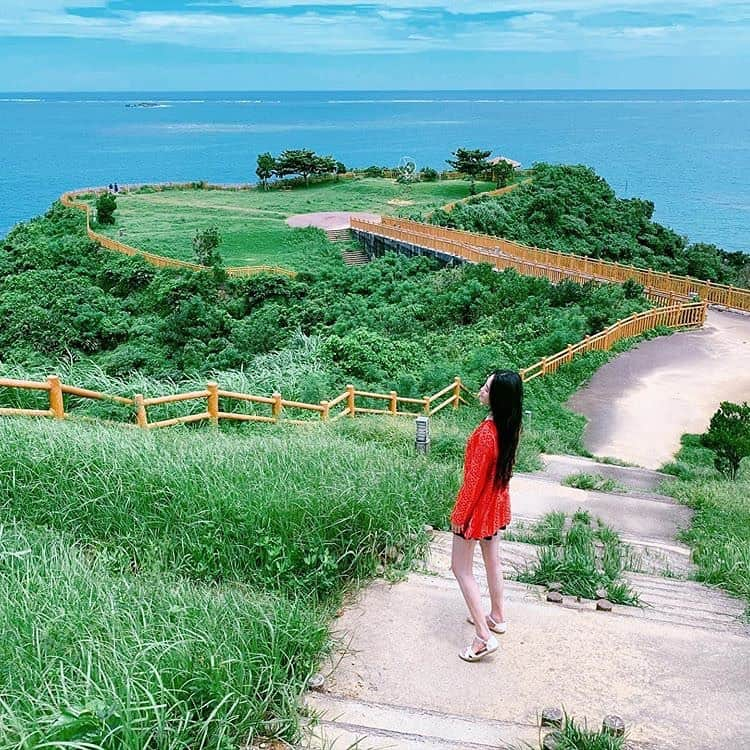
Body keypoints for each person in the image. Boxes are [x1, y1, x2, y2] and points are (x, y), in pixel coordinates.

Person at [450, 370, 523, 662]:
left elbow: (473, 482)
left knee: (460, 568)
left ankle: (483, 636)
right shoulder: (511, 426)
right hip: (496, 504)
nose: (481, 389)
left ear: (498, 399)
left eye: (487, 388)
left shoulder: (485, 434)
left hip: (478, 508)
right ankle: (496, 616)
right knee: (493, 560)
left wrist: (459, 514)